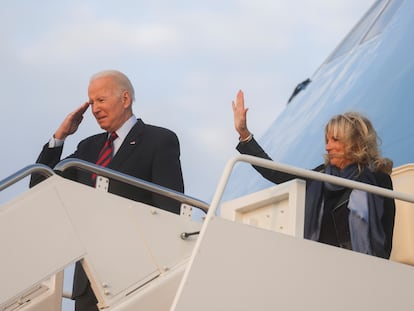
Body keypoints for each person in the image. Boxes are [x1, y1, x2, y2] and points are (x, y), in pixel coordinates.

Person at [30, 70, 184, 311]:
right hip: (89, 282)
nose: (94, 109)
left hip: (135, 275)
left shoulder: (159, 140)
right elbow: (40, 184)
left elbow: (170, 209)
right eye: (91, 103)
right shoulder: (88, 147)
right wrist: (60, 136)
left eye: (100, 100)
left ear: (125, 99)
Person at [232, 89, 395, 259]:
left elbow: (384, 242)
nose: (327, 147)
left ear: (355, 143)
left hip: (360, 271)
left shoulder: (378, 180)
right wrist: (244, 135)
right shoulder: (321, 176)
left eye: (335, 140)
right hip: (315, 265)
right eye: (327, 140)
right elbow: (276, 173)